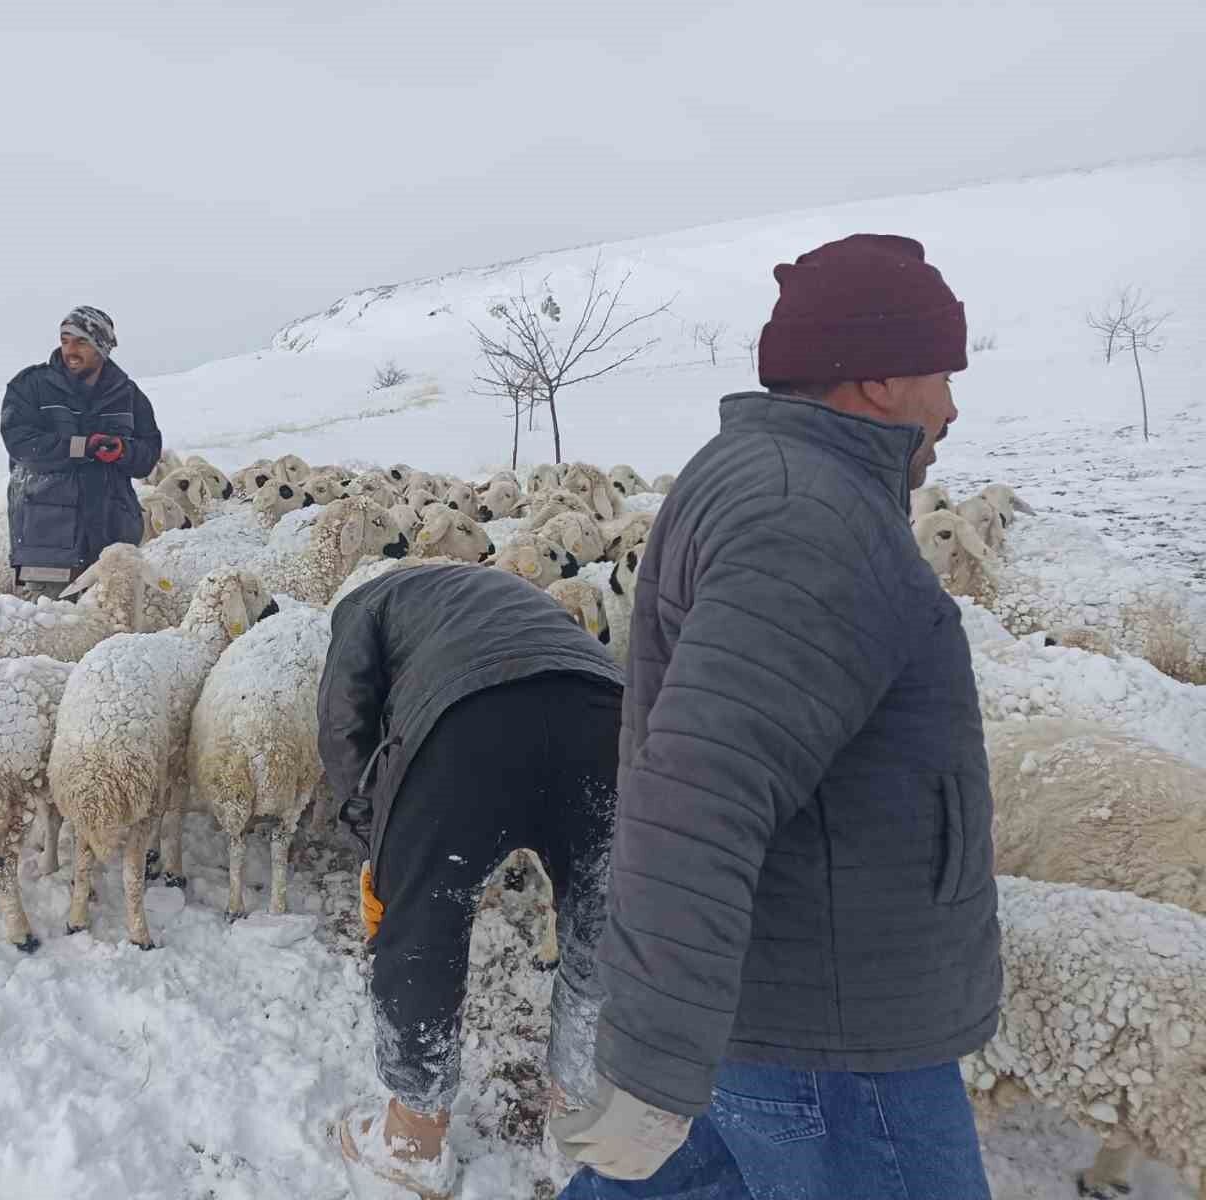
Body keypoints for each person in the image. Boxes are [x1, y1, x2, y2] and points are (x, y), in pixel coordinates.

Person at [554, 234, 1001, 1200]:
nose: (954, 405)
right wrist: (655, 1065)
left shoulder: (766, 477)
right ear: (878, 377)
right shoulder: (811, 516)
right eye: (941, 372)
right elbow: (702, 788)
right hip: (837, 1041)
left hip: (776, 998)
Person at [318, 563, 624, 1200]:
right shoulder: (512, 597)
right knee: (604, 922)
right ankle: (582, 1114)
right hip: (606, 721)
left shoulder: (363, 605)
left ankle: (412, 1137)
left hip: (467, 731)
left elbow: (345, 722)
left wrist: (375, 844)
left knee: (424, 928)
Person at [0, 306, 162, 596]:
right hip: (49, 541)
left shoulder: (128, 395)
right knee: (54, 632)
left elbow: (148, 455)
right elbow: (21, 443)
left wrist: (123, 451)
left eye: (81, 341)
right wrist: (82, 447)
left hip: (113, 540)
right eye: (65, 340)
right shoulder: (30, 387)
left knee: (114, 631)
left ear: (102, 345)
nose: (70, 350)